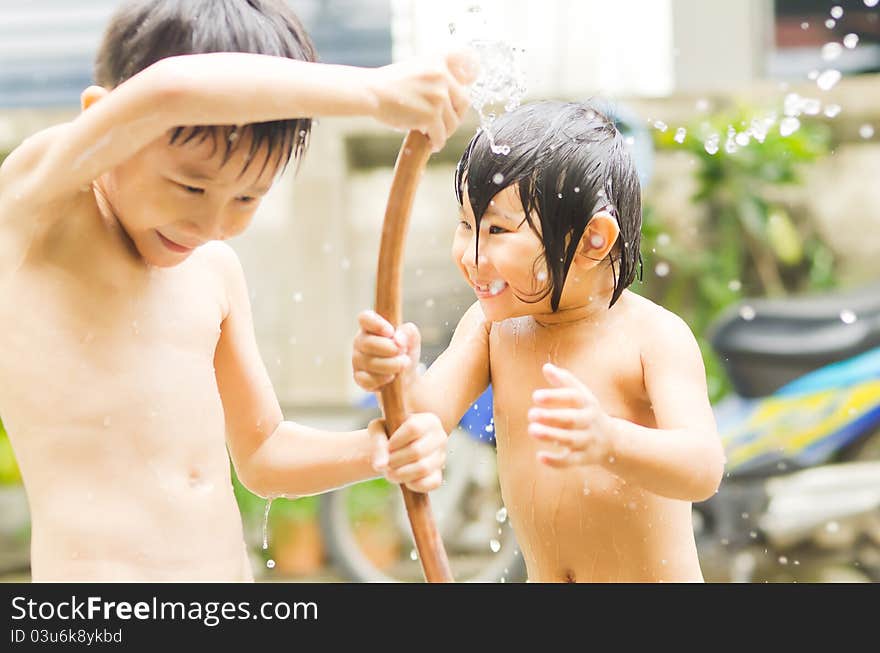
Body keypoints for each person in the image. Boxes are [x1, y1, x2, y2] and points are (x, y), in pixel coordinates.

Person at [0, 0, 476, 581]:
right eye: (189, 185)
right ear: (106, 121)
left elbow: (263, 454)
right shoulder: (39, 212)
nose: (213, 224)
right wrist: (374, 92)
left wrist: (379, 450)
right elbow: (171, 91)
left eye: (248, 197)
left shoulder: (214, 271)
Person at [352, 101, 725, 582]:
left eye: (497, 230)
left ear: (593, 239)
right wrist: (393, 374)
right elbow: (424, 418)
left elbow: (702, 468)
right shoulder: (491, 329)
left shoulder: (651, 336)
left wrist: (608, 440)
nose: (469, 254)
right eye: (466, 225)